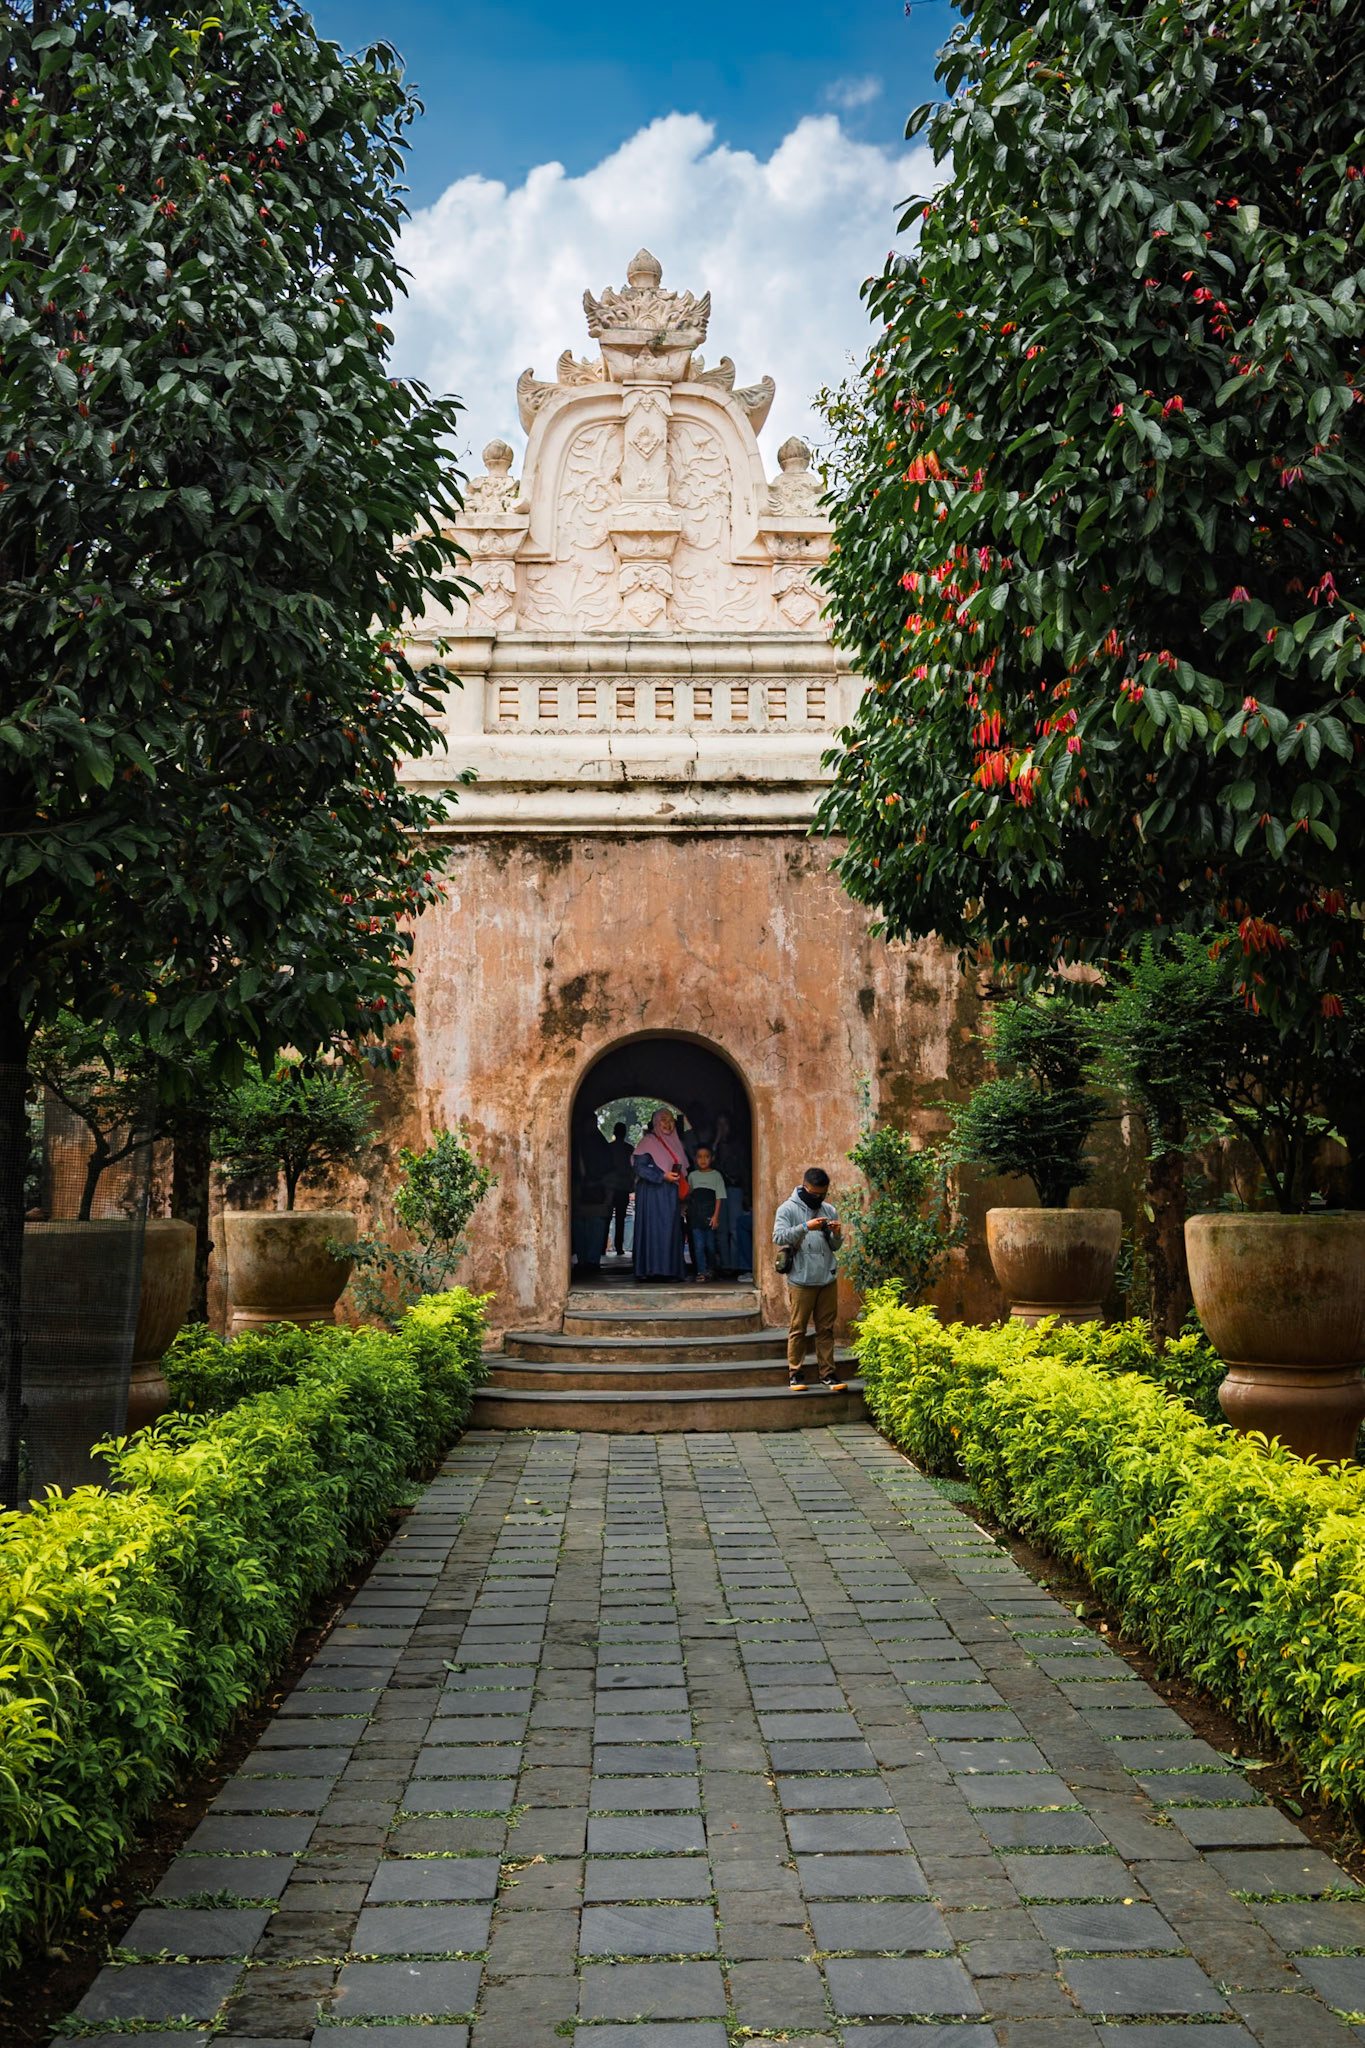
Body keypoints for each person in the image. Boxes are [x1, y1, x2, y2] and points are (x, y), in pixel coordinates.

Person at [772, 1167, 846, 1391]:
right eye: (815, 1194)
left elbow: (835, 1247)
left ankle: (828, 1374)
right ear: (805, 1188)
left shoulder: (829, 1209)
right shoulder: (787, 1209)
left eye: (823, 1194)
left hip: (827, 1278)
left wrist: (836, 1234)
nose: (819, 1198)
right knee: (798, 1328)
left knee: (826, 1329)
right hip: (801, 1279)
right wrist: (805, 1227)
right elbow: (778, 1236)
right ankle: (795, 1373)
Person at [630, 1108, 688, 1282]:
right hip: (652, 1194)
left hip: (671, 1194)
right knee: (653, 1230)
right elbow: (639, 1167)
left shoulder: (677, 1143)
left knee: (670, 1230)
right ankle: (650, 1270)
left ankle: (669, 1271)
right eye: (663, 1120)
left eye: (670, 1120)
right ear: (655, 1122)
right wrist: (662, 1176)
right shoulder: (647, 1142)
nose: (668, 1124)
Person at [685, 1145, 727, 1284]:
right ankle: (701, 1272)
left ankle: (711, 1269)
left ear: (712, 1158)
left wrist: (716, 1216)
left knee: (710, 1245)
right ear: (695, 1159)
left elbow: (719, 1197)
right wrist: (685, 1209)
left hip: (709, 1216)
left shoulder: (716, 1176)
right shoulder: (692, 1176)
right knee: (698, 1245)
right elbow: (688, 1195)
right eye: (700, 1157)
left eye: (706, 1156)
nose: (703, 1160)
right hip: (696, 1216)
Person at [603, 1120, 635, 1258]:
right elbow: (633, 1169)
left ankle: (602, 1247)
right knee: (620, 1219)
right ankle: (619, 1247)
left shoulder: (608, 1148)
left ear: (614, 1132)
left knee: (606, 1218)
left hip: (610, 1186)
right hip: (622, 1187)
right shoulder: (629, 1149)